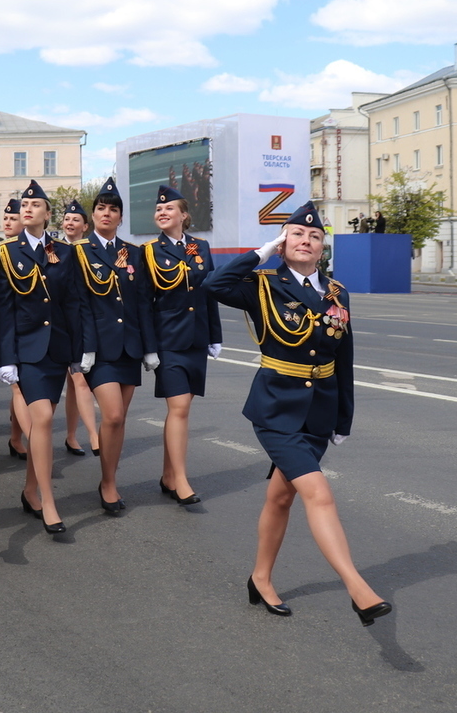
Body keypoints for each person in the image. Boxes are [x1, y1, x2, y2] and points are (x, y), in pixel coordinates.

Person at [205, 200, 391, 626]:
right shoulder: (263, 284)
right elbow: (214, 286)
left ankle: (260, 577)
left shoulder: (336, 292)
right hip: (275, 408)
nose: (305, 240)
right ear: (283, 242)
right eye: (296, 234)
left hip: (319, 410)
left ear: (322, 247)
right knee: (318, 493)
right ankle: (357, 589)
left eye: (314, 236)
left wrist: (343, 418)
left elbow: (345, 356)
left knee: (281, 496)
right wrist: (259, 254)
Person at [0, 180, 91, 535]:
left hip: (58, 350)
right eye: (25, 204)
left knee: (41, 425)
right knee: (45, 419)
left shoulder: (65, 253)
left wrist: (80, 353)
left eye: (36, 204)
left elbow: (74, 304)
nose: (29, 208)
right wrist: (6, 357)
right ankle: (49, 501)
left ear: (48, 213)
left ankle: (30, 489)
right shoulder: (5, 253)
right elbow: (3, 309)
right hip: (26, 351)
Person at [71, 178, 157, 514]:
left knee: (119, 422)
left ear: (121, 217)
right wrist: (86, 348)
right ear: (93, 216)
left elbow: (143, 304)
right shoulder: (79, 252)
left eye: (113, 209)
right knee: (114, 414)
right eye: (101, 208)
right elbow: (79, 302)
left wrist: (149, 347)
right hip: (98, 350)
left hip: (129, 348)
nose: (107, 213)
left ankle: (109, 478)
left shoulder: (133, 253)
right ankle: (108, 484)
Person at [144, 183, 221, 505]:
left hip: (196, 339)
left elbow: (209, 293)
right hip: (169, 340)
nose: (162, 212)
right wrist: (149, 346)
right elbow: (144, 303)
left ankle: (167, 475)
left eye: (169, 208)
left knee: (181, 411)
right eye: (159, 209)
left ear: (184, 215)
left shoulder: (200, 248)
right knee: (179, 408)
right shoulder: (149, 251)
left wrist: (215, 336)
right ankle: (181, 480)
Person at [59, 199, 100, 458]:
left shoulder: (91, 251)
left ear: (86, 226)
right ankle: (94, 434)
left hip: (84, 323)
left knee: (77, 382)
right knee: (76, 380)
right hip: (61, 325)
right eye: (67, 219)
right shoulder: (55, 250)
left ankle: (73, 435)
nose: (70, 223)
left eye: (76, 220)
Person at [0, 198, 30, 461]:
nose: (8, 222)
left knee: (21, 388)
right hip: (8, 327)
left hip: (32, 328)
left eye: (13, 218)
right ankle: (27, 439)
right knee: (18, 387)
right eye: (5, 218)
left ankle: (16, 435)